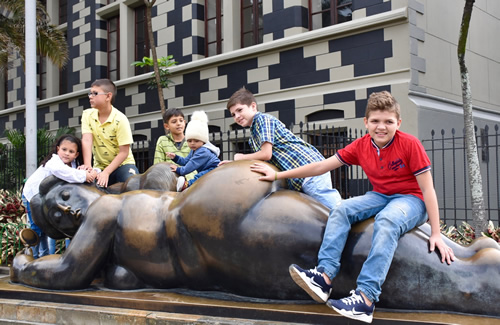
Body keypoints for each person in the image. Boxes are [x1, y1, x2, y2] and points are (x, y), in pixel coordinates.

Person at [250, 91, 456, 324]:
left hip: (412, 200)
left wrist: (436, 233)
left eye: (388, 122)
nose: (382, 127)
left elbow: (428, 190)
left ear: (398, 123)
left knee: (387, 221)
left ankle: (365, 300)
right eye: (376, 121)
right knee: (342, 209)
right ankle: (324, 277)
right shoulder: (361, 145)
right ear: (366, 122)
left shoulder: (410, 144)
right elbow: (320, 167)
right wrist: (278, 174)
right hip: (380, 195)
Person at [220, 87, 341, 210]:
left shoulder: (263, 120)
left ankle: (354, 223)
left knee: (333, 208)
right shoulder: (253, 136)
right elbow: (260, 160)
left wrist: (241, 157)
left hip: (308, 170)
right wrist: (235, 164)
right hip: (300, 176)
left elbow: (266, 154)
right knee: (320, 212)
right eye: (233, 114)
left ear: (253, 106)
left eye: (240, 110)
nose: (237, 116)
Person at [22, 134, 96, 258]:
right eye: (64, 149)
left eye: (71, 151)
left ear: (76, 154)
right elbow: (63, 173)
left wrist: (92, 172)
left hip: (48, 199)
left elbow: (78, 173)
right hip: (32, 195)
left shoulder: (73, 166)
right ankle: (34, 258)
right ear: (58, 149)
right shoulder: (54, 162)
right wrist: (84, 176)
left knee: (51, 229)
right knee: (38, 229)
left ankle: (49, 257)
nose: (67, 153)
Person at [80, 78, 138, 187]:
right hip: (99, 166)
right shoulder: (87, 115)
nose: (90, 96)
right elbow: (87, 140)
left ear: (108, 96)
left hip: (123, 165)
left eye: (95, 93)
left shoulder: (121, 119)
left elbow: (124, 152)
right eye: (90, 93)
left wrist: (106, 172)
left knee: (133, 185)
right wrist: (88, 167)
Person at [168, 110, 220, 191]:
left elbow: (192, 165)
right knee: (201, 174)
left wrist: (179, 170)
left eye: (196, 141)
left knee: (200, 176)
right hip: (207, 168)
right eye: (189, 141)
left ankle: (187, 185)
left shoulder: (203, 151)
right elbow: (186, 161)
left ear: (203, 141)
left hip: (213, 168)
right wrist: (175, 158)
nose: (192, 143)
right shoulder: (195, 150)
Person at [153, 108, 196, 181]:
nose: (179, 123)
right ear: (166, 126)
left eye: (181, 120)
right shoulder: (162, 140)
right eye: (174, 121)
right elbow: (158, 165)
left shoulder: (193, 140)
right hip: (170, 179)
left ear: (185, 123)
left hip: (191, 179)